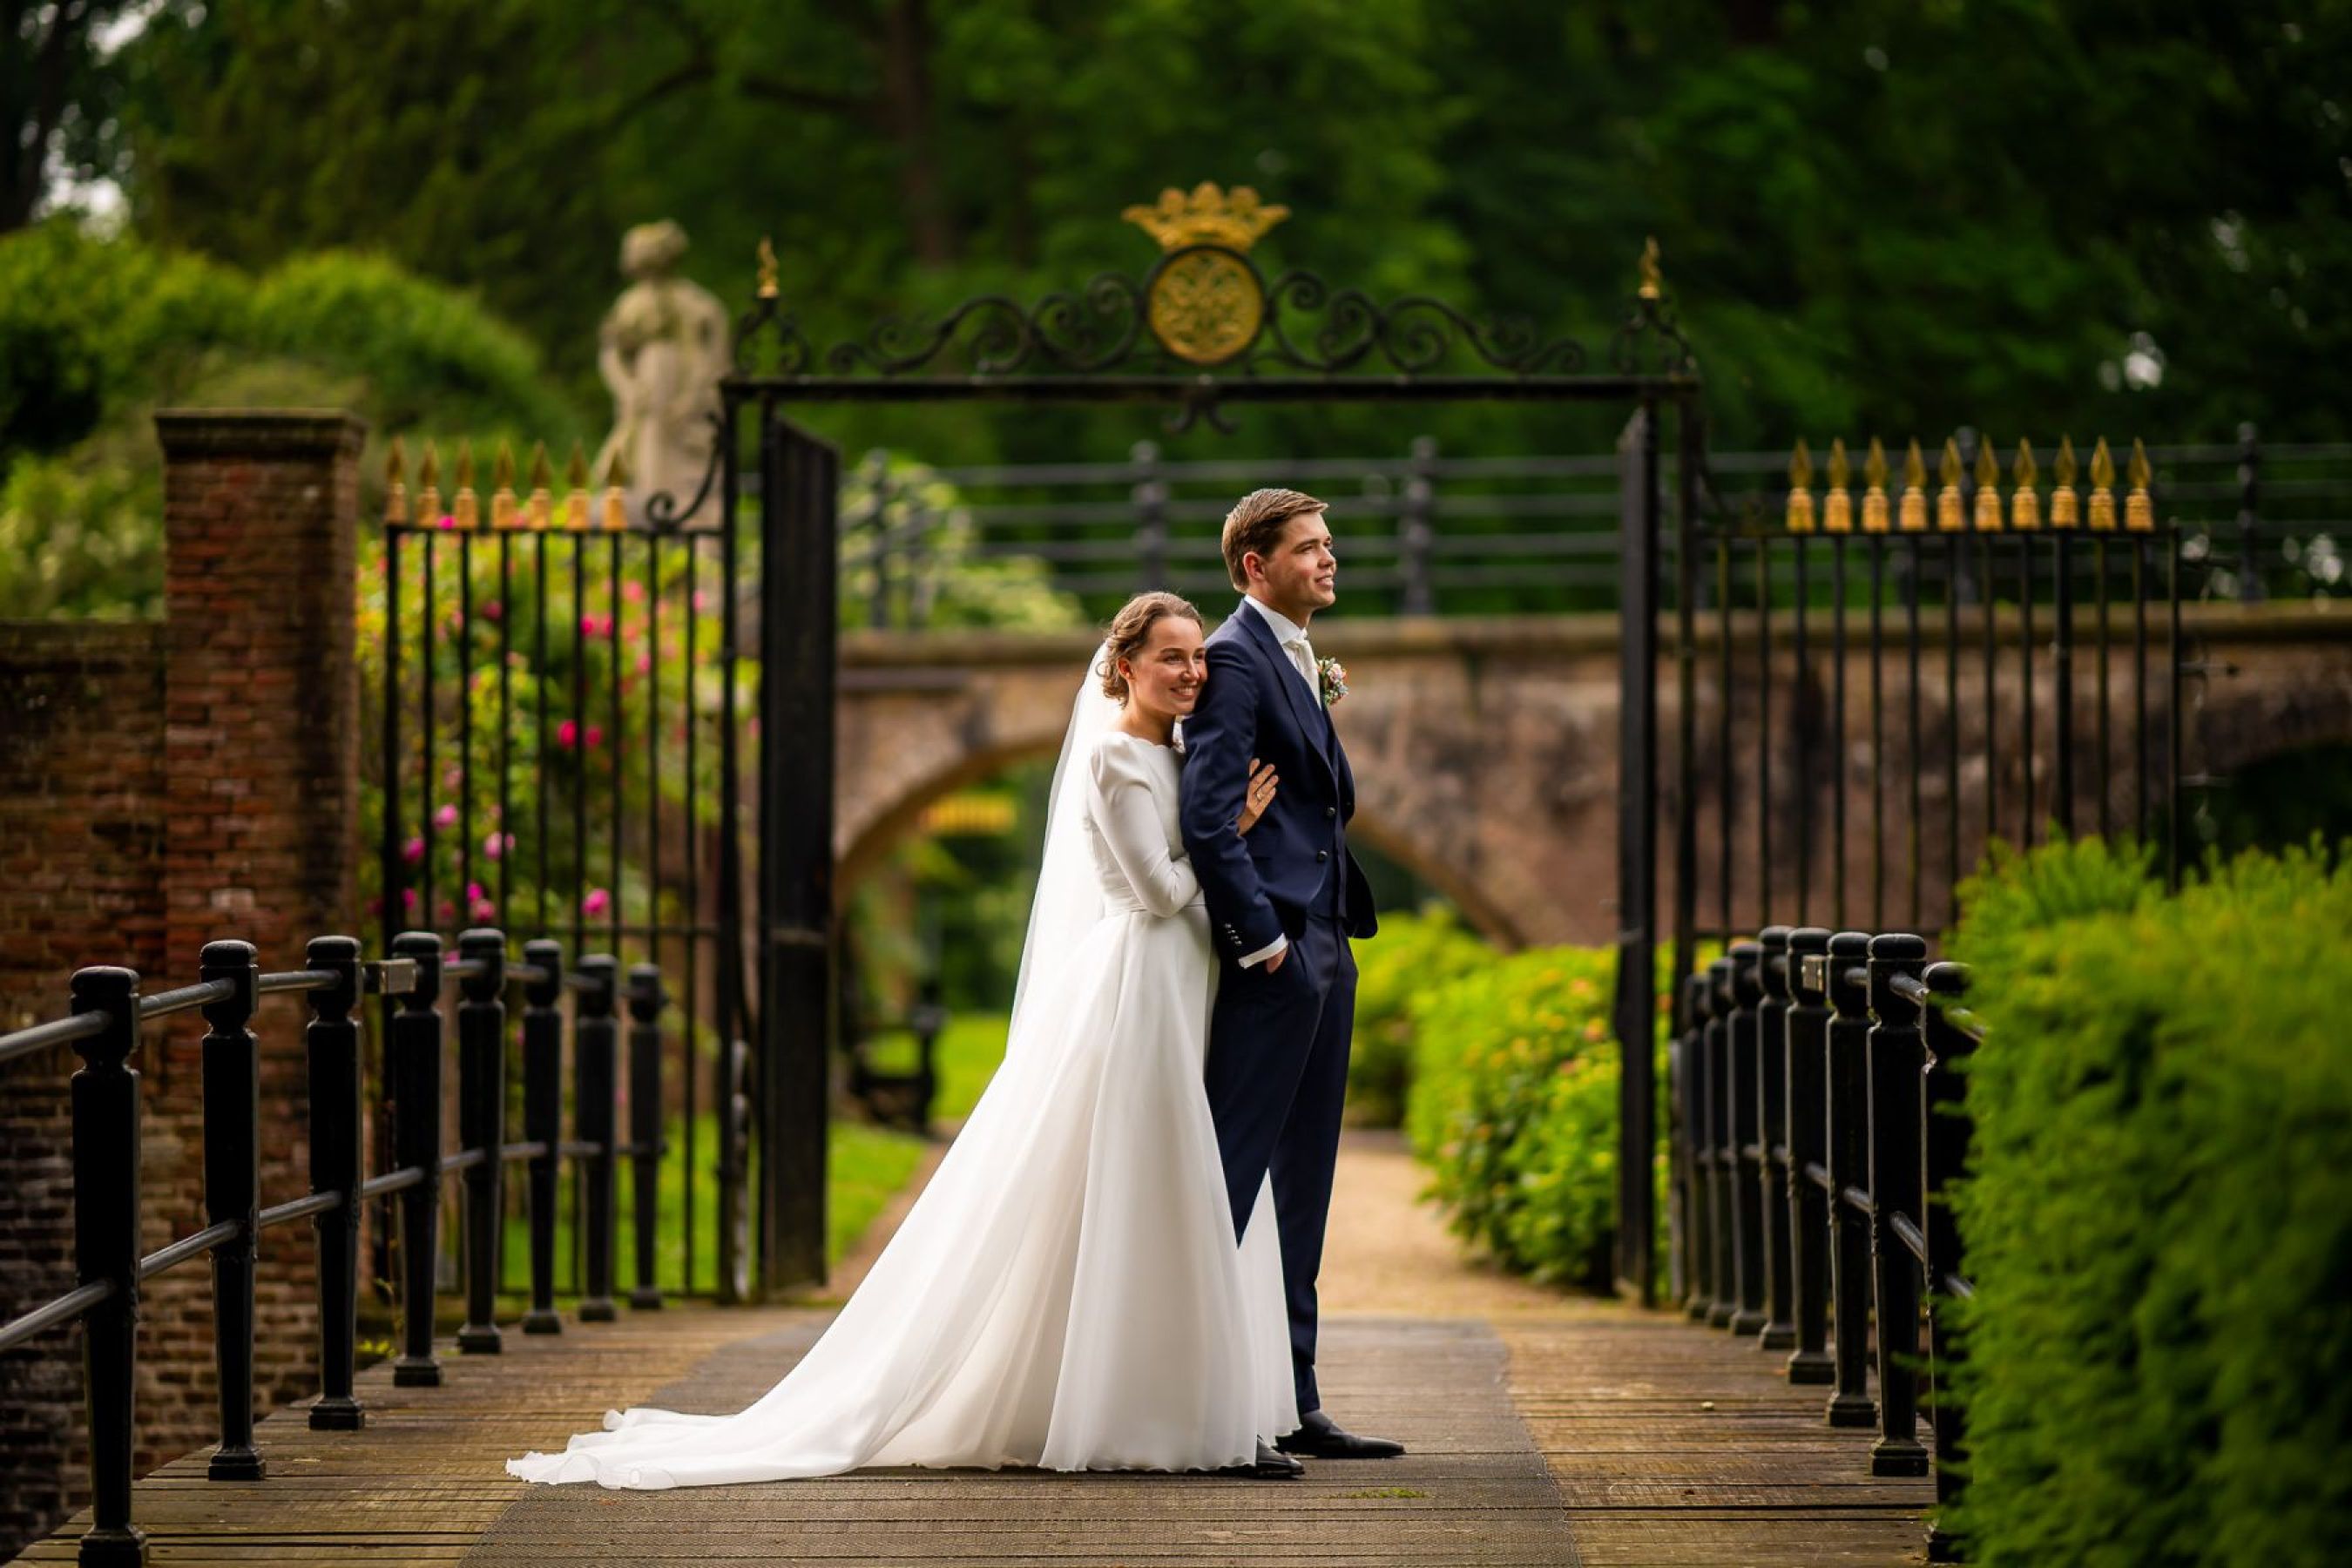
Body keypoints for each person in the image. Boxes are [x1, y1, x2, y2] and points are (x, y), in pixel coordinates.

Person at [505, 591, 1305, 1487]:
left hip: (1187, 980)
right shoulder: (1115, 759)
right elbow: (1157, 893)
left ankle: (1168, 1389)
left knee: (1170, 1178)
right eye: (1172, 657)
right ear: (1125, 667)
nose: (1192, 671)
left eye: (1198, 656)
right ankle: (1143, 1411)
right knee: (1140, 1175)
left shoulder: (1187, 749)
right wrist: (1227, 832)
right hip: (1140, 987)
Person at [1179, 488, 1402, 1461]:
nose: (1328, 560)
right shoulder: (1234, 659)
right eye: (1308, 549)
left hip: (1326, 945)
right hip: (1276, 953)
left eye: (1329, 545)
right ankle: (1205, 1398)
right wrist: (1260, 939)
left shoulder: (1298, 658)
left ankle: (1293, 1393)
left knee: (1303, 1180)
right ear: (1251, 567)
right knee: (1235, 1176)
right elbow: (1206, 814)